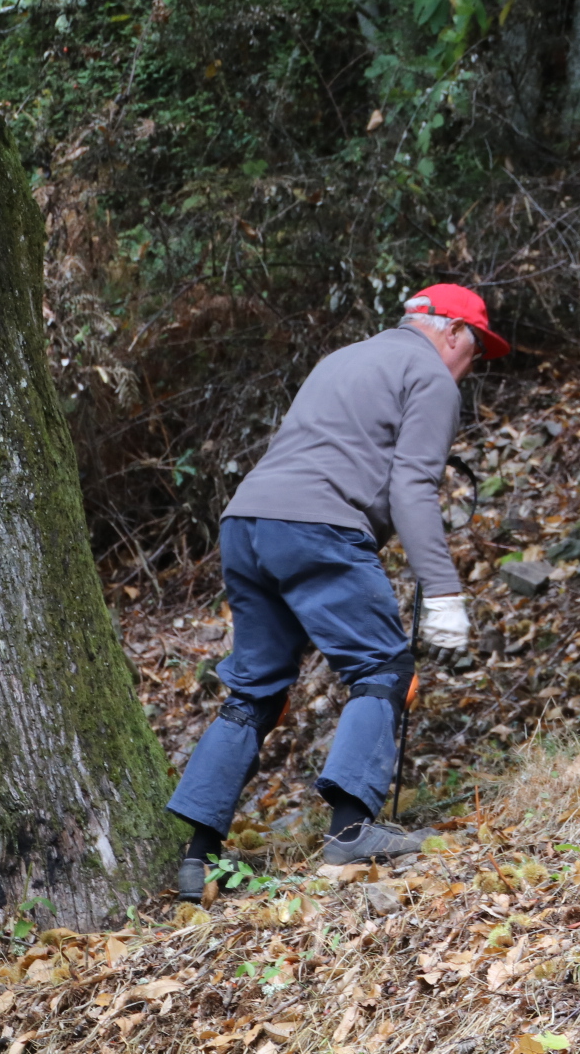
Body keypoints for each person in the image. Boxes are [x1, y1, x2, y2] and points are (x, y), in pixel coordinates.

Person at [166, 284, 508, 903]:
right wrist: (445, 593)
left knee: (256, 689)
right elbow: (412, 487)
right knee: (380, 664)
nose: (471, 367)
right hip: (316, 528)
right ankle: (350, 831)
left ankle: (197, 862)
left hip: (247, 525)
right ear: (453, 333)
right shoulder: (431, 377)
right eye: (476, 352)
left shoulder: (344, 358)